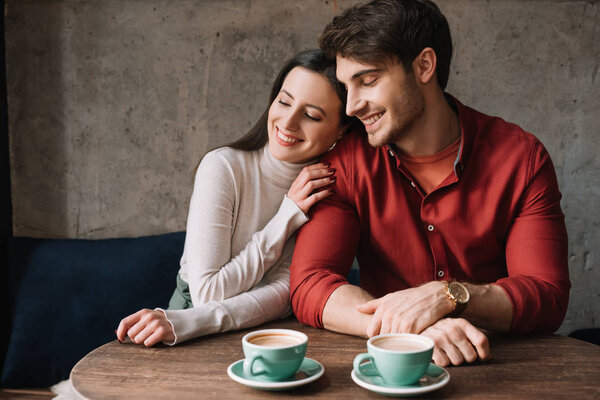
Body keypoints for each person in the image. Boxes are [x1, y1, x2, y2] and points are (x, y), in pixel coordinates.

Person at [289, 0, 570, 367]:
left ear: (424, 66)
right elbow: (311, 283)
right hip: (388, 367)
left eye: (368, 81)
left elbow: (546, 296)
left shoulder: (521, 158)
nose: (352, 106)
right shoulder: (345, 162)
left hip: (499, 365)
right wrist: (407, 328)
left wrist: (449, 295)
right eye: (347, 86)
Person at [116, 49, 358, 346]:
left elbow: (286, 294)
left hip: (268, 331)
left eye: (310, 115)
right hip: (188, 326)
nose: (288, 122)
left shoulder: (328, 191)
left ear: (342, 129)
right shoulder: (223, 167)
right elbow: (207, 294)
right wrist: (287, 216)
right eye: (284, 101)